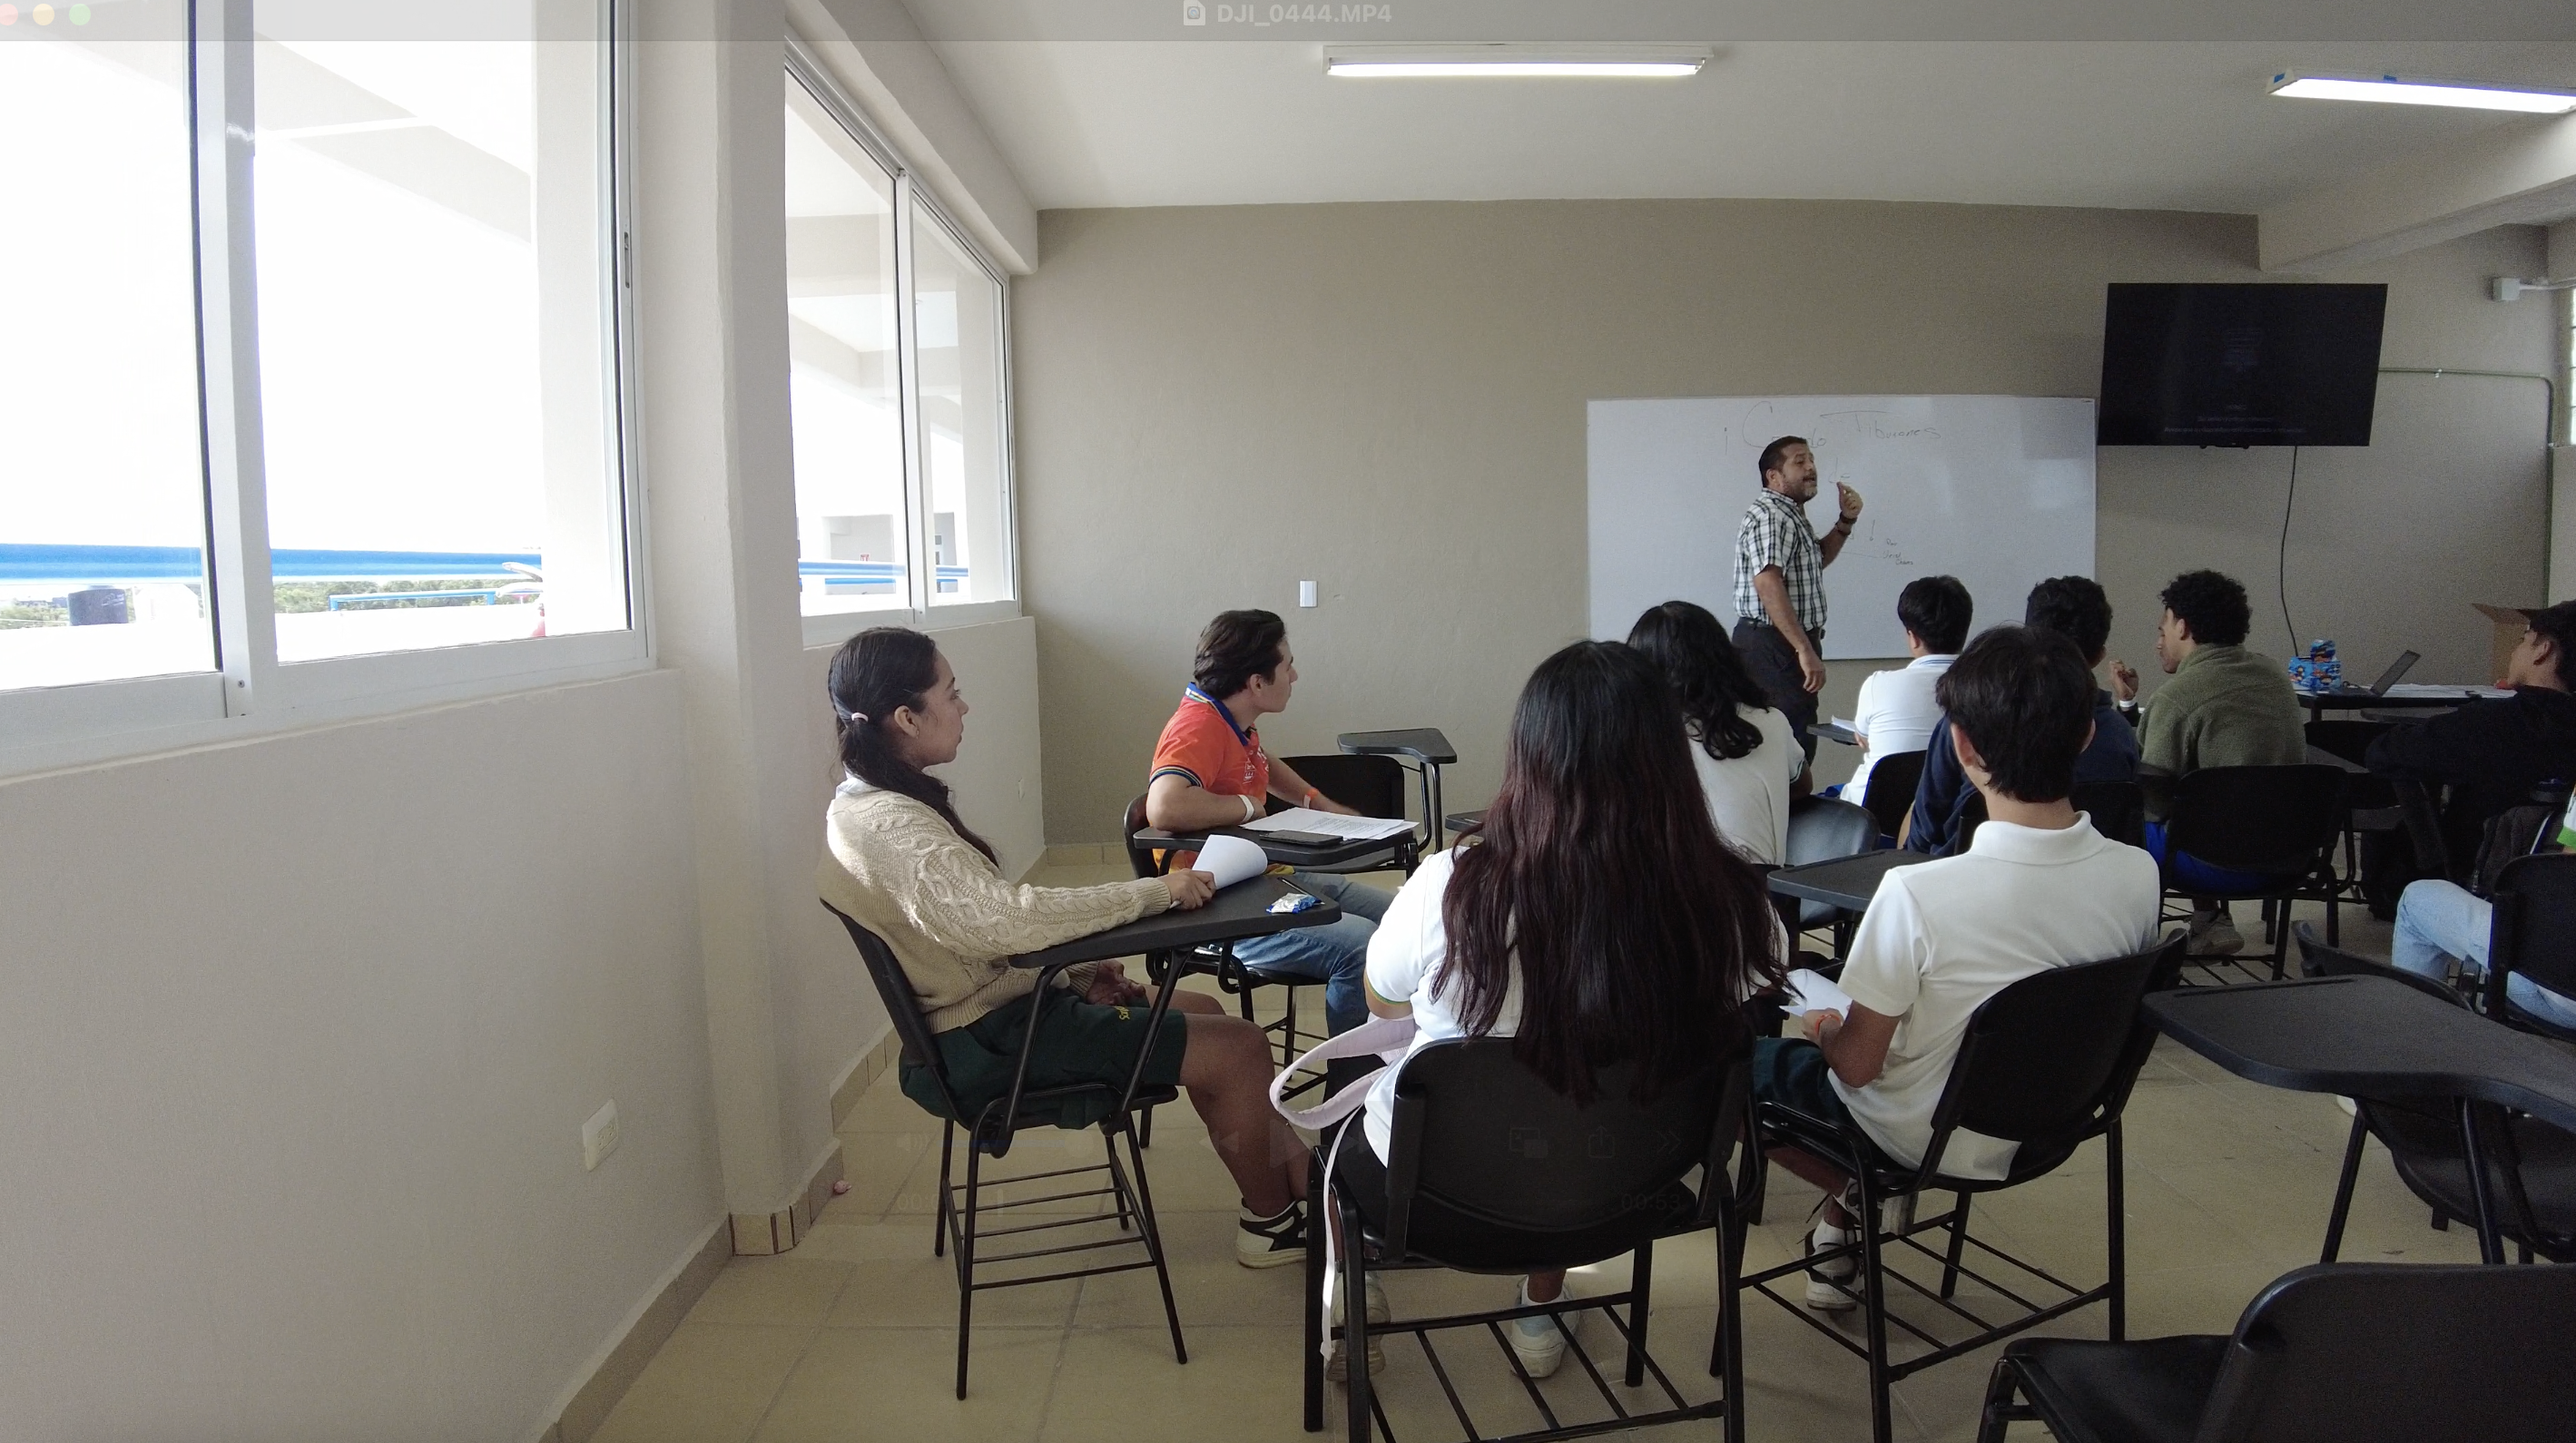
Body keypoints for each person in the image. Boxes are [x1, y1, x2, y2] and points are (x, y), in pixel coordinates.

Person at [819, 627, 1313, 1268]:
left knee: (1207, 1011)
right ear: (907, 718)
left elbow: (977, 939)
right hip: (989, 1044)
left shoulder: (865, 804)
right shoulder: (894, 828)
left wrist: (1076, 976)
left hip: (994, 1019)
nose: (965, 707)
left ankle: (1296, 1181)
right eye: (952, 693)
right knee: (1240, 1047)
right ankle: (1274, 1223)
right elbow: (1007, 923)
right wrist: (1154, 893)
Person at [1356, 641, 1784, 1376]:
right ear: (1670, 756)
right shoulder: (1734, 897)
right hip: (1635, 1190)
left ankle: (1352, 1287)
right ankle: (1541, 1303)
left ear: (1530, 756)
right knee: (1573, 1100)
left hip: (1437, 1201)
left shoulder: (1451, 887)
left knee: (1378, 1105)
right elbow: (1752, 1005)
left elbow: (1382, 1000)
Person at [1756, 626, 2160, 1310]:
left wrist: (1823, 1028)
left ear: (1963, 746)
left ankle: (1856, 1191)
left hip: (1920, 1135)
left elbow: (1856, 1068)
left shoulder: (1917, 894)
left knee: (1739, 1065)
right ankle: (1843, 1218)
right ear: (2087, 736)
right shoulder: (2138, 873)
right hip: (2056, 1121)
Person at [1145, 610, 1393, 1038]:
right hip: (1219, 905)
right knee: (1361, 945)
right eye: (1287, 666)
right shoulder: (1198, 726)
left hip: (1265, 879)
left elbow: (1262, 762)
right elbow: (1164, 806)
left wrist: (1319, 803)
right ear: (1257, 683)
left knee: (1400, 918)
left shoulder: (1231, 720)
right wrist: (1246, 806)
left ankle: (1402, 1051)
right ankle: (1351, 1074)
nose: (1294, 676)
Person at [2374, 600, 2576, 1026]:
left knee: (2419, 898)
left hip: (2553, 976)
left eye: (2523, 640)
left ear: (2542, 649)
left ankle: (2411, 1053)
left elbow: (2386, 753)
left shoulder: (2493, 724)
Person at [2116, 569, 2305, 955]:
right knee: (2206, 801)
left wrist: (2125, 713)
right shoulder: (2275, 677)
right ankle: (2210, 921)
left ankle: (2131, 952)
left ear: (2182, 627)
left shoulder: (2177, 698)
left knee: (2120, 820)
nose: (2158, 642)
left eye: (2162, 630)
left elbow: (2150, 796)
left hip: (2215, 864)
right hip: (2291, 858)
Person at [1904, 576, 2140, 856]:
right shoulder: (2119, 734)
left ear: (2028, 641)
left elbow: (1924, 831)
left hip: (1958, 872)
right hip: (2090, 875)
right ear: (2100, 655)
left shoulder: (1968, 722)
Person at [1627, 599, 1806, 864]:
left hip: (1690, 883)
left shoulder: (1650, 734)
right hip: (1763, 884)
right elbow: (1801, 785)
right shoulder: (1773, 721)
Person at [1732, 436, 1864, 761]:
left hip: (1781, 644)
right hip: (1774, 646)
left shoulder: (1789, 514)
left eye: (1812, 460)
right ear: (1774, 476)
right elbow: (1768, 583)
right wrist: (1803, 648)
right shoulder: (1772, 517)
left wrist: (1846, 521)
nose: (1811, 468)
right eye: (1799, 461)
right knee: (1790, 745)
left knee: (1796, 737)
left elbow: (1815, 561)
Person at [1844, 575, 1971, 806]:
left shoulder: (1878, 685)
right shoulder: (1987, 687)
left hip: (1874, 813)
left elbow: (1863, 737)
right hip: (1950, 814)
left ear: (1913, 638)